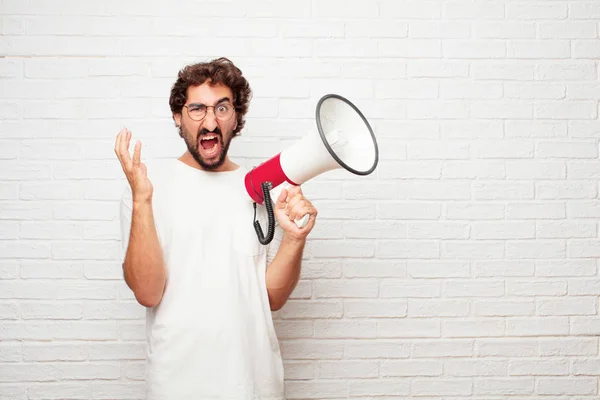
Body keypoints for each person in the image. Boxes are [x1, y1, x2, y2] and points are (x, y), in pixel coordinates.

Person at [115, 57, 318, 400]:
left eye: (222, 108)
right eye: (197, 109)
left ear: (236, 117)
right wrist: (141, 201)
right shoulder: (147, 188)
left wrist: (295, 239)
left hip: (255, 385)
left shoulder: (258, 189)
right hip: (177, 385)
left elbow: (271, 298)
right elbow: (147, 293)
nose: (210, 121)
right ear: (178, 117)